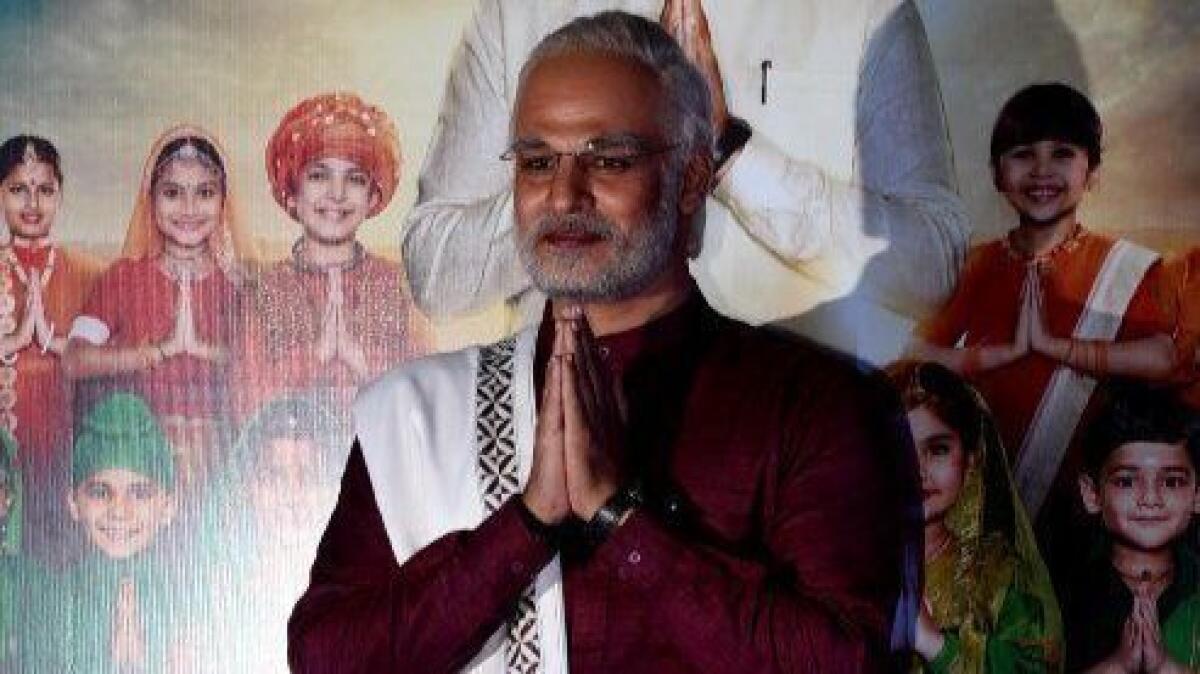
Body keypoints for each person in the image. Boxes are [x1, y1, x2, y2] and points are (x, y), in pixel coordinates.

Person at [289, 12, 914, 673]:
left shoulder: (814, 404)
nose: (564, 195)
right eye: (536, 162)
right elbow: (329, 659)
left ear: (693, 181)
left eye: (609, 160)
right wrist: (525, 526)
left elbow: (846, 662)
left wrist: (620, 522)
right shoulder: (419, 414)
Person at [401, 0, 968, 360]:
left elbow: (929, 269)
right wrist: (587, 168)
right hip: (578, 440)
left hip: (799, 442)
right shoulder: (517, 12)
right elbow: (437, 274)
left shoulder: (865, 11)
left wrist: (730, 156)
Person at [910, 83, 1177, 535]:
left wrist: (1058, 347)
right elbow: (911, 356)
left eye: (1062, 153)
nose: (1041, 171)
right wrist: (987, 357)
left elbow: (1164, 359)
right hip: (979, 507)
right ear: (996, 173)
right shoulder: (970, 265)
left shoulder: (1127, 268)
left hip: (1089, 514)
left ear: (1092, 172)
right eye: (1022, 154)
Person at [64, 125, 256, 489]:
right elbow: (74, 359)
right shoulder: (122, 278)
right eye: (172, 193)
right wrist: (156, 352)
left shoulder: (242, 286)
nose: (188, 208)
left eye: (204, 193)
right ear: (150, 201)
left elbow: (264, 373)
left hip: (223, 469)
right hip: (136, 466)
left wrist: (206, 351)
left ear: (223, 202)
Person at [235, 92, 429, 417]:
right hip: (286, 457)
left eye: (354, 179)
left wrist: (361, 362)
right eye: (319, 175)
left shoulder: (399, 283)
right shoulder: (263, 288)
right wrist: (316, 356)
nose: (337, 194)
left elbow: (429, 396)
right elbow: (245, 402)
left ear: (372, 197)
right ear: (292, 193)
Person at [887, 361, 1062, 673]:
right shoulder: (837, 564)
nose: (919, 471)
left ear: (970, 461)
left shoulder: (996, 576)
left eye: (938, 449)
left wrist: (934, 645)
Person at [32, 392, 193, 674]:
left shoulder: (193, 599)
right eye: (100, 491)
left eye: (140, 492)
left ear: (169, 505)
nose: (119, 510)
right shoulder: (48, 602)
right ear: (73, 502)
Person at [0, 135, 102, 561]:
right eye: (18, 188)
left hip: (68, 463)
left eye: (45, 190)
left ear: (60, 194)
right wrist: (14, 342)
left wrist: (59, 345)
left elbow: (112, 367)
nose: (32, 203)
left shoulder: (90, 273)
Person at [193, 394, 346, 673]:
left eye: (310, 477)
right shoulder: (218, 589)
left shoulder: (361, 588)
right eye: (273, 477)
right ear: (247, 488)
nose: (292, 495)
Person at [1062, 389, 1200, 672]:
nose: (1150, 499)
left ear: (1198, 494)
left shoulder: (1195, 588)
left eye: (1172, 482)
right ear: (1092, 494)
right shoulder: (1060, 593)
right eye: (1126, 481)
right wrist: (1117, 666)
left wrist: (1164, 666)